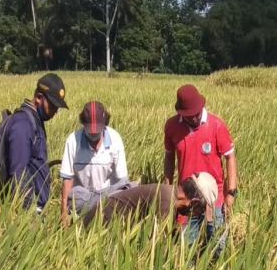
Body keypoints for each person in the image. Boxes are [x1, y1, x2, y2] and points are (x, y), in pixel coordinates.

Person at [163, 84, 238, 252]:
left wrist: (231, 192)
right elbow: (169, 156)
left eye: (196, 114)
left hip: (215, 195)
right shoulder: (172, 126)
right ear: (180, 113)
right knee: (185, 248)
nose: (194, 118)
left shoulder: (216, 125)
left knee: (219, 245)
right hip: (187, 197)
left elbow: (230, 157)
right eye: (189, 116)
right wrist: (168, 188)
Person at [60, 101, 133, 226]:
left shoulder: (115, 139)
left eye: (97, 131)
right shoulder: (73, 141)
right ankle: (97, 209)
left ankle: (101, 209)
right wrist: (63, 212)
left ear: (105, 124)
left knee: (132, 187)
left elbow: (123, 180)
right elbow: (67, 178)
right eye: (90, 131)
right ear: (83, 124)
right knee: (74, 196)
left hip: (108, 195)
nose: (94, 134)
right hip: (83, 198)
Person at [6, 73, 67, 213]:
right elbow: (19, 173)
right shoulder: (22, 124)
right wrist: (29, 215)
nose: (55, 111)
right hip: (28, 213)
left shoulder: (35, 121)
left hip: (38, 210)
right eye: (52, 106)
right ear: (39, 98)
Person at [83, 172, 218, 228]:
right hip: (99, 225)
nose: (195, 215)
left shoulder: (169, 194)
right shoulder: (166, 200)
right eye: (199, 211)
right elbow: (161, 245)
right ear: (193, 202)